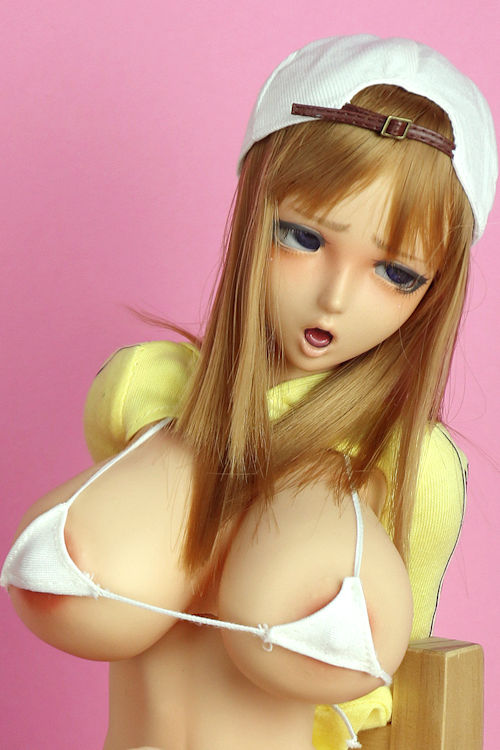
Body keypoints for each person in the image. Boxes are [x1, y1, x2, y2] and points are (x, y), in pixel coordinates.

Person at [1, 35, 497, 750]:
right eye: (303, 238)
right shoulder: (144, 388)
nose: (334, 299)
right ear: (250, 215)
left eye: (397, 274)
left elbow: (408, 681)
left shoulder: (410, 461)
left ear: (435, 294)